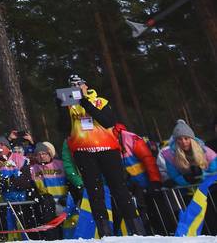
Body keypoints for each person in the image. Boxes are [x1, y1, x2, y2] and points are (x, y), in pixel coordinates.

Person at [61, 74, 145, 236]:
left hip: (108, 149)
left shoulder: (100, 101)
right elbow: (64, 127)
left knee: (119, 188)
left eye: (79, 84)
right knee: (94, 192)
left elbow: (108, 121)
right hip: (84, 152)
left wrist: (84, 101)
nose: (77, 87)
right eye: (73, 85)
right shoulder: (69, 106)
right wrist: (60, 106)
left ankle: (136, 230)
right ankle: (104, 232)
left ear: (86, 85)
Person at [158, 119, 217, 186]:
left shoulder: (206, 151)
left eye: (186, 138)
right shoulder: (170, 157)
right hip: (188, 191)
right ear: (176, 141)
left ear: (191, 139)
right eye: (179, 139)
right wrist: (185, 179)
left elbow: (215, 171)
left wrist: (202, 174)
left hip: (210, 188)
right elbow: (174, 176)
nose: (183, 142)